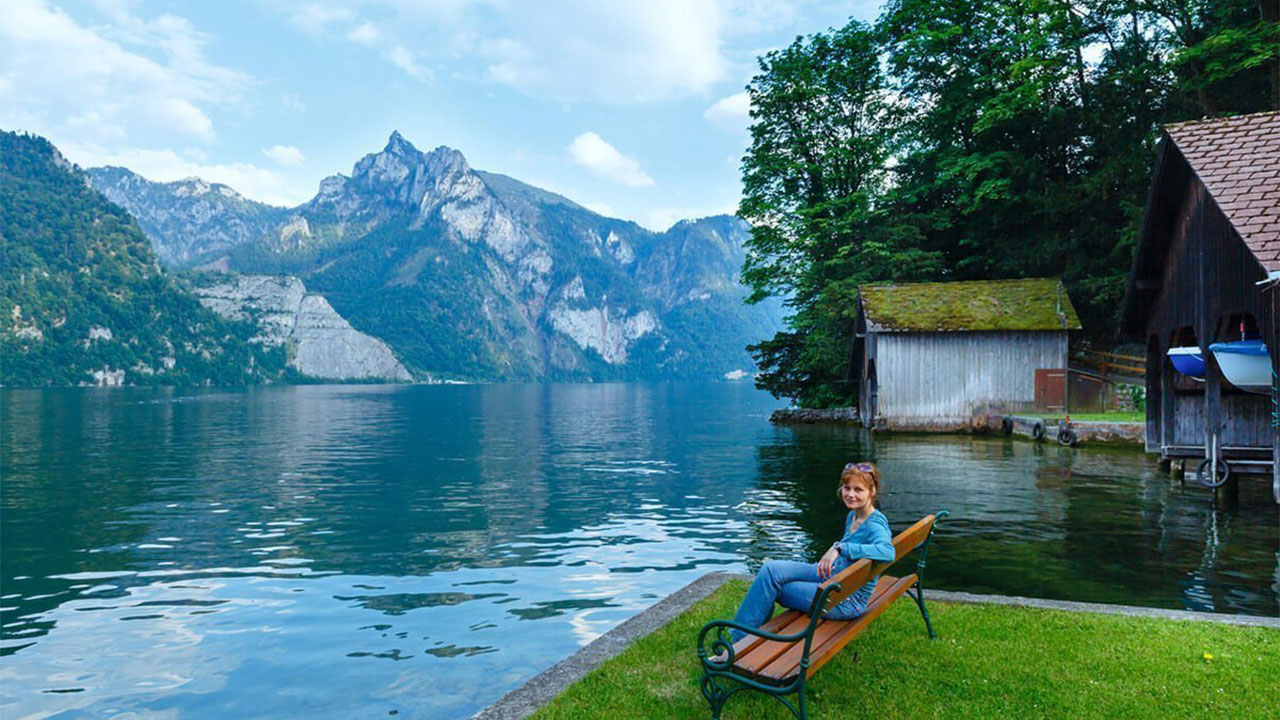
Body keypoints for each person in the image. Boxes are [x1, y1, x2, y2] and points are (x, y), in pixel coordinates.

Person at [729, 462, 894, 642]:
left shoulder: (874, 524)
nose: (850, 494)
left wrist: (840, 548)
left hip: (844, 599)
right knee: (770, 571)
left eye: (858, 490)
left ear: (872, 491)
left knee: (773, 588)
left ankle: (738, 643)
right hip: (833, 576)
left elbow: (888, 552)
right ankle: (743, 636)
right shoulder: (854, 515)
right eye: (847, 488)